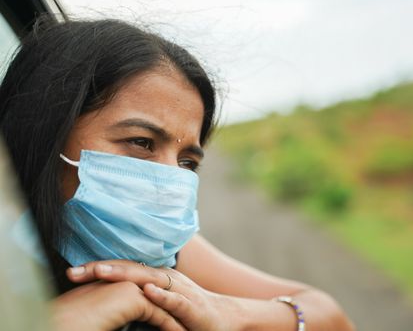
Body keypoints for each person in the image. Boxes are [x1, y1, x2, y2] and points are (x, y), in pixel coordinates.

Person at [0, 17, 354, 331]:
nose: (169, 182)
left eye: (187, 162)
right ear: (45, 132)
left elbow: (330, 316)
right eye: (141, 141)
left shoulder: (151, 250)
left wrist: (227, 312)